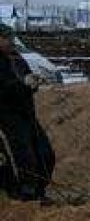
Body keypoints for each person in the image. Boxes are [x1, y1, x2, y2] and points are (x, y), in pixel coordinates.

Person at [0, 24, 55, 202]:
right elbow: (3, 89)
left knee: (45, 153)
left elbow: (27, 79)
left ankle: (39, 190)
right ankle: (24, 193)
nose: (10, 42)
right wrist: (22, 83)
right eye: (6, 38)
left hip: (27, 114)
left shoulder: (17, 59)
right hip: (7, 117)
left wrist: (33, 82)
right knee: (23, 155)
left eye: (10, 38)